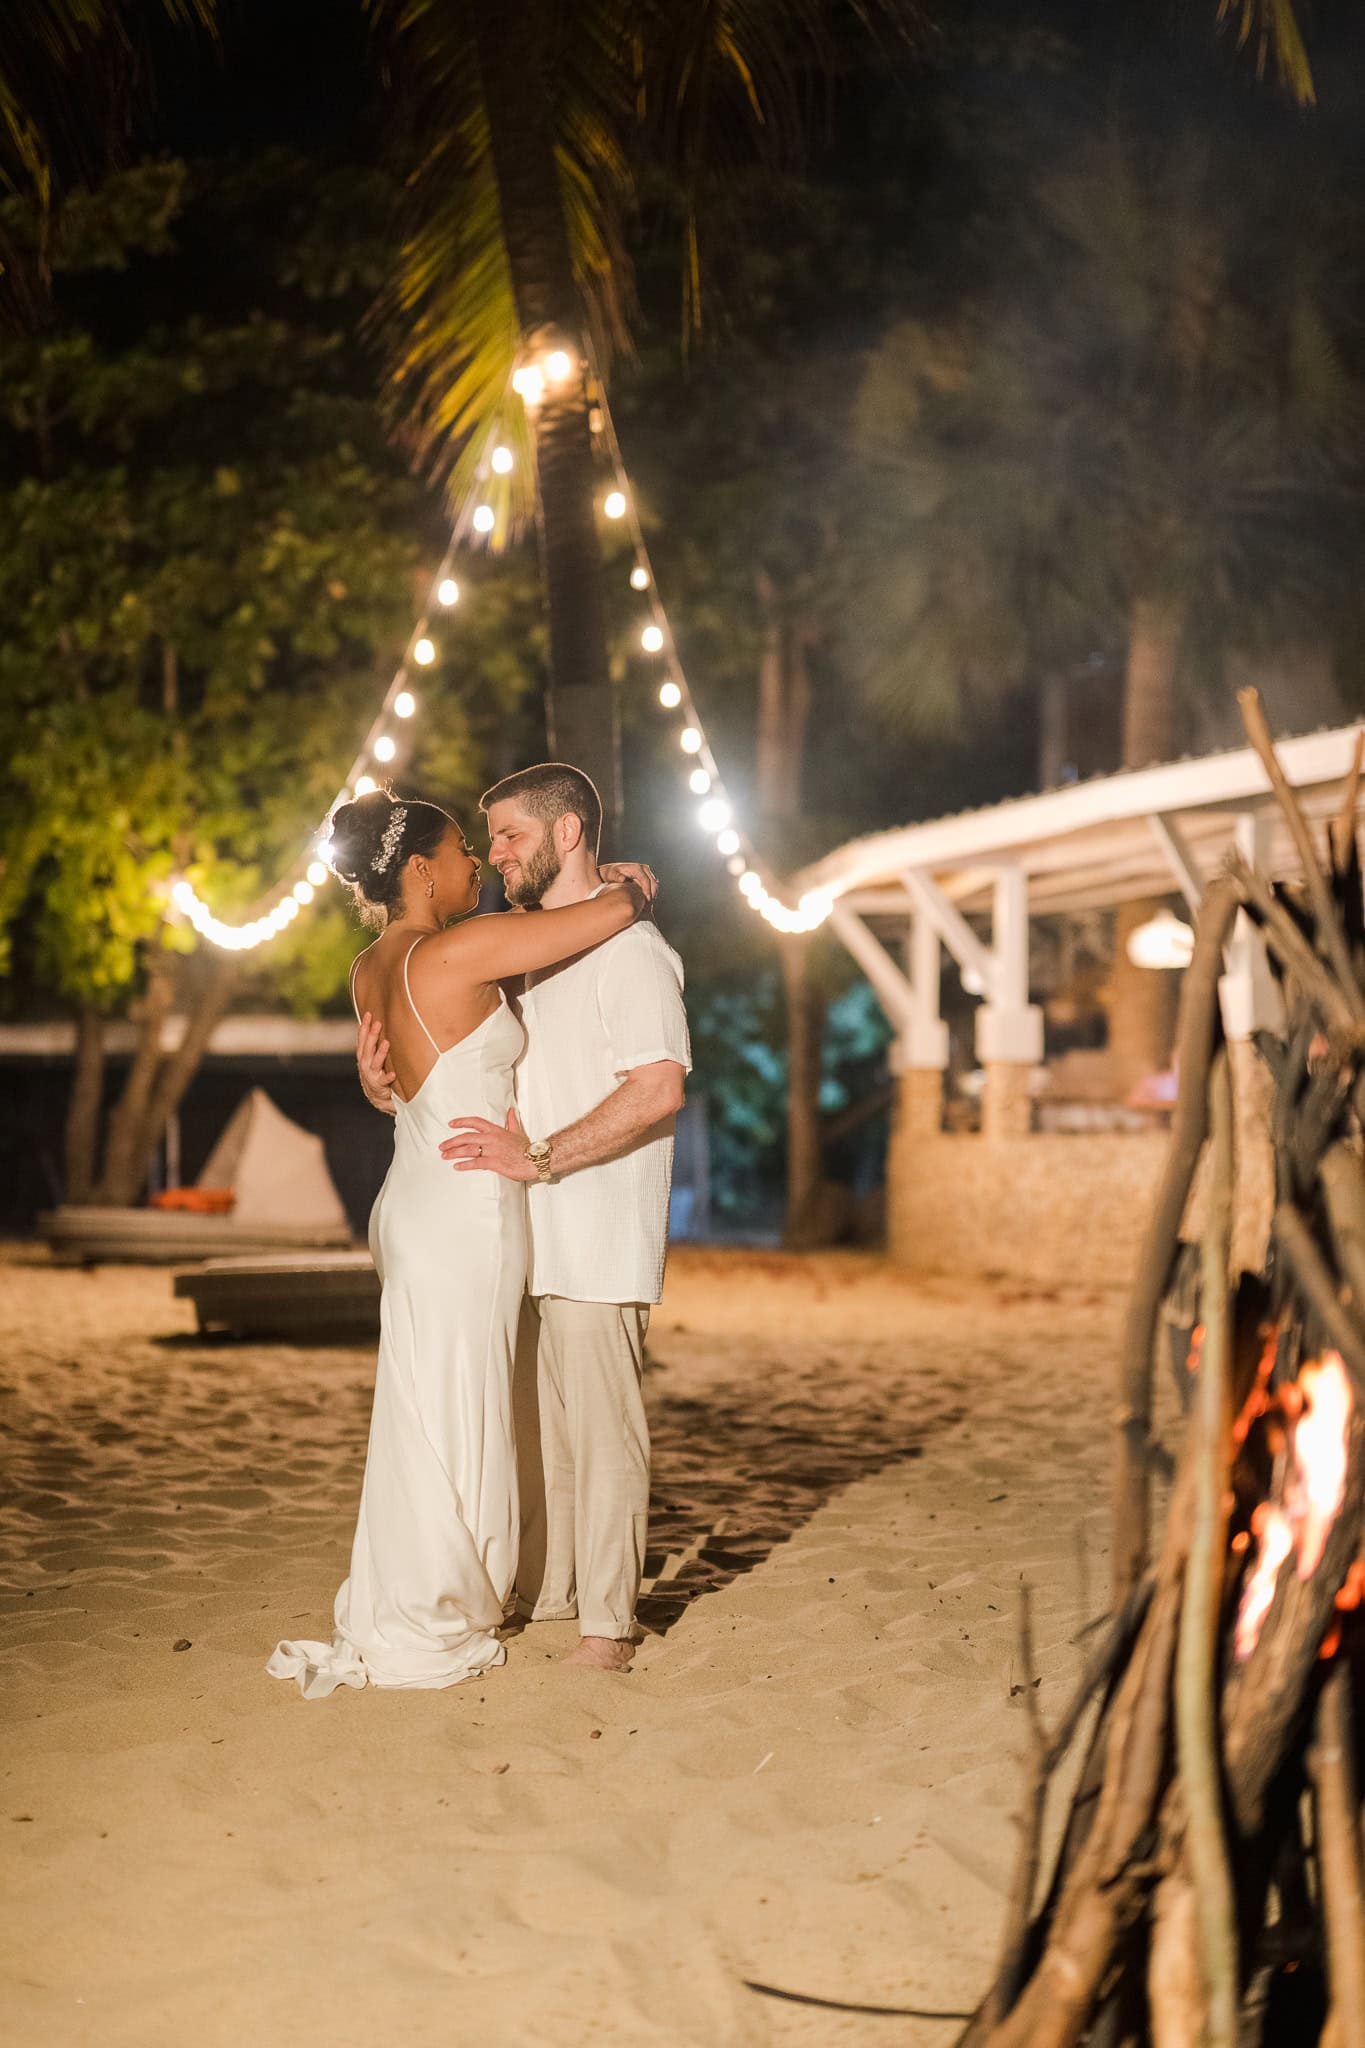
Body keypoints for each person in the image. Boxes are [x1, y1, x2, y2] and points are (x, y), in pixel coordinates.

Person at [267, 787, 647, 1699]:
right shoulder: (460, 950)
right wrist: (637, 884)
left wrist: (377, 1091)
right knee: (464, 1403)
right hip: (468, 1210)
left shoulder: (369, 966)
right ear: (417, 872)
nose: (478, 864)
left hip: (410, 1200)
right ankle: (446, 1597)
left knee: (423, 1403)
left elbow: (404, 1082)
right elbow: (598, 917)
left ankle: (445, 1581)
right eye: (461, 852)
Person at [357, 762, 690, 1671]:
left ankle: (606, 1628)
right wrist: (391, 1091)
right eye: (482, 841)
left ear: (568, 833)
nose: (493, 855)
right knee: (535, 1435)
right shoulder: (521, 951)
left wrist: (538, 1157)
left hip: (592, 1225)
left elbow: (658, 1088)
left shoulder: (634, 953)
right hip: (515, 1227)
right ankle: (548, 1594)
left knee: (603, 1431)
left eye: (506, 836)